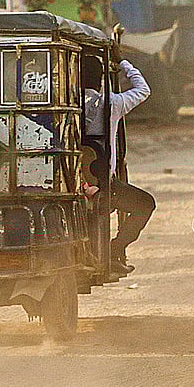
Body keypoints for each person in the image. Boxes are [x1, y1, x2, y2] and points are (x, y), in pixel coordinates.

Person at [83, 59, 153, 275]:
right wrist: (125, 65)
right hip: (103, 183)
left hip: (72, 179)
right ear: (102, 79)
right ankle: (115, 250)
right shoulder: (111, 103)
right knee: (145, 204)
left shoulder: (66, 102)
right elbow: (143, 90)